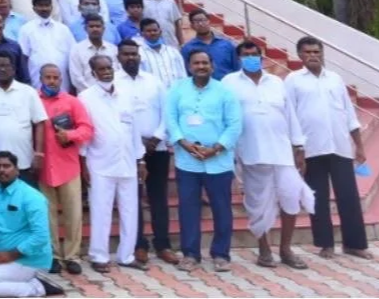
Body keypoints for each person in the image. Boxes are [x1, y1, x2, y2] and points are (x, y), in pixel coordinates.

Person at [223, 40, 312, 269]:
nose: (250, 57)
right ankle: (264, 251)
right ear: (239, 58)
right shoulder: (229, 83)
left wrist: (299, 146)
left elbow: (290, 115)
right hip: (250, 153)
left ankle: (286, 250)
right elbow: (225, 118)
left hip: (282, 151)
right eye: (245, 54)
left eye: (254, 54)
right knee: (257, 204)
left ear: (261, 57)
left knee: (291, 197)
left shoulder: (276, 82)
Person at [285, 35, 371, 259]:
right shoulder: (293, 81)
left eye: (316, 52)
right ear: (300, 55)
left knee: (349, 196)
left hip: (340, 146)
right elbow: (290, 117)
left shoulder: (335, 78)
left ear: (322, 54)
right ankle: (326, 245)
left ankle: (355, 244)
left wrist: (359, 147)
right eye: (308, 52)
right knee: (317, 198)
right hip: (311, 149)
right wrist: (297, 151)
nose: (313, 56)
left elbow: (349, 115)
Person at [165, 50, 241, 272]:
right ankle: (190, 254)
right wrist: (183, 143)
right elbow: (170, 118)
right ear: (189, 67)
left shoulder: (225, 92)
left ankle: (221, 254)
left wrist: (215, 149)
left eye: (205, 63)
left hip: (218, 161)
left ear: (212, 66)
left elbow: (235, 124)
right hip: (187, 161)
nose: (201, 66)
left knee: (221, 208)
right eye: (196, 63)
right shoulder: (177, 90)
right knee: (188, 208)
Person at [79, 55, 144, 272]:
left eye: (109, 68)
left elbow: (134, 130)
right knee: (101, 210)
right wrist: (83, 163)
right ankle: (99, 256)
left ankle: (127, 255)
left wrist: (140, 159)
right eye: (101, 69)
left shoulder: (126, 95)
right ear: (93, 72)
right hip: (99, 164)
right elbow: (84, 132)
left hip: (127, 162)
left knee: (130, 210)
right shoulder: (85, 98)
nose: (106, 72)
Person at [115, 38, 175, 266]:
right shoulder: (115, 84)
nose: (131, 58)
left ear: (140, 57)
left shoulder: (154, 81)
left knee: (159, 197)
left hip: (156, 148)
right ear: (118, 57)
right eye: (126, 54)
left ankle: (163, 245)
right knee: (133, 198)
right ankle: (138, 245)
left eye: (134, 54)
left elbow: (167, 111)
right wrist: (136, 141)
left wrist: (158, 136)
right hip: (129, 150)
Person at [0, 150, 63, 297]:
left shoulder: (32, 197)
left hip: (29, 258)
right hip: (1, 252)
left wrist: (11, 255)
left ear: (17, 170)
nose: (2, 170)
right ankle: (27, 280)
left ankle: (38, 287)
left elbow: (41, 236)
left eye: (7, 166)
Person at [34, 64, 91, 276]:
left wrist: (71, 136)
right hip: (42, 168)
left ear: (61, 79)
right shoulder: (33, 101)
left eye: (56, 77)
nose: (52, 81)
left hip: (68, 166)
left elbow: (87, 129)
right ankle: (53, 256)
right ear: (40, 78)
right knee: (47, 216)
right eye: (47, 77)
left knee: (73, 214)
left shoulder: (72, 102)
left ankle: (72, 256)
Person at [0, 53, 47, 186]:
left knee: (25, 202)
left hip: (24, 160)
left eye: (6, 66)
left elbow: (39, 122)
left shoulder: (28, 91)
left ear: (14, 68)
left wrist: (39, 154)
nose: (2, 69)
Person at [180, 9, 239, 79]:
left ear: (209, 21)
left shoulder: (226, 44)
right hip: (201, 88)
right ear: (192, 26)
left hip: (226, 87)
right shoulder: (187, 49)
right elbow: (186, 74)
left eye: (203, 20)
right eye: (196, 21)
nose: (201, 24)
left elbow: (237, 68)